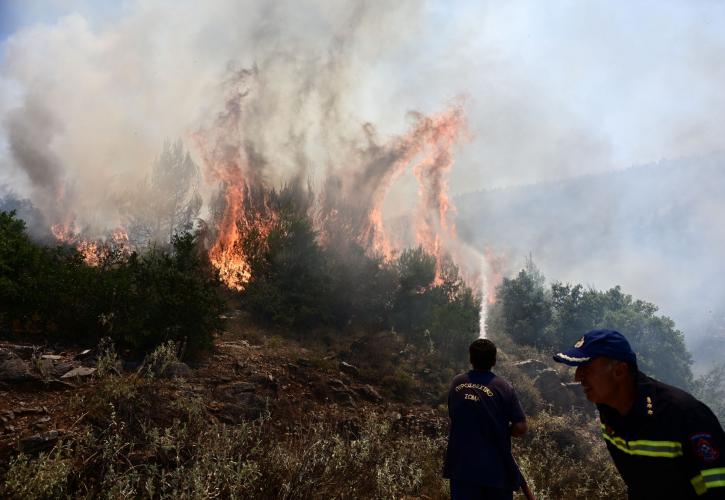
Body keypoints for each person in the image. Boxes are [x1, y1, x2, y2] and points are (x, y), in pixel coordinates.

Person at [553, 329, 725, 499]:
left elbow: (718, 486)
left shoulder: (685, 414)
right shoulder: (608, 410)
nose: (577, 377)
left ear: (619, 371)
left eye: (586, 368)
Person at [443, 338, 528, 500]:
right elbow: (521, 427)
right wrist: (501, 430)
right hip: (495, 471)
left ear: (470, 359)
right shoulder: (503, 387)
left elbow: (455, 414)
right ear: (494, 360)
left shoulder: (457, 383)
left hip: (461, 468)